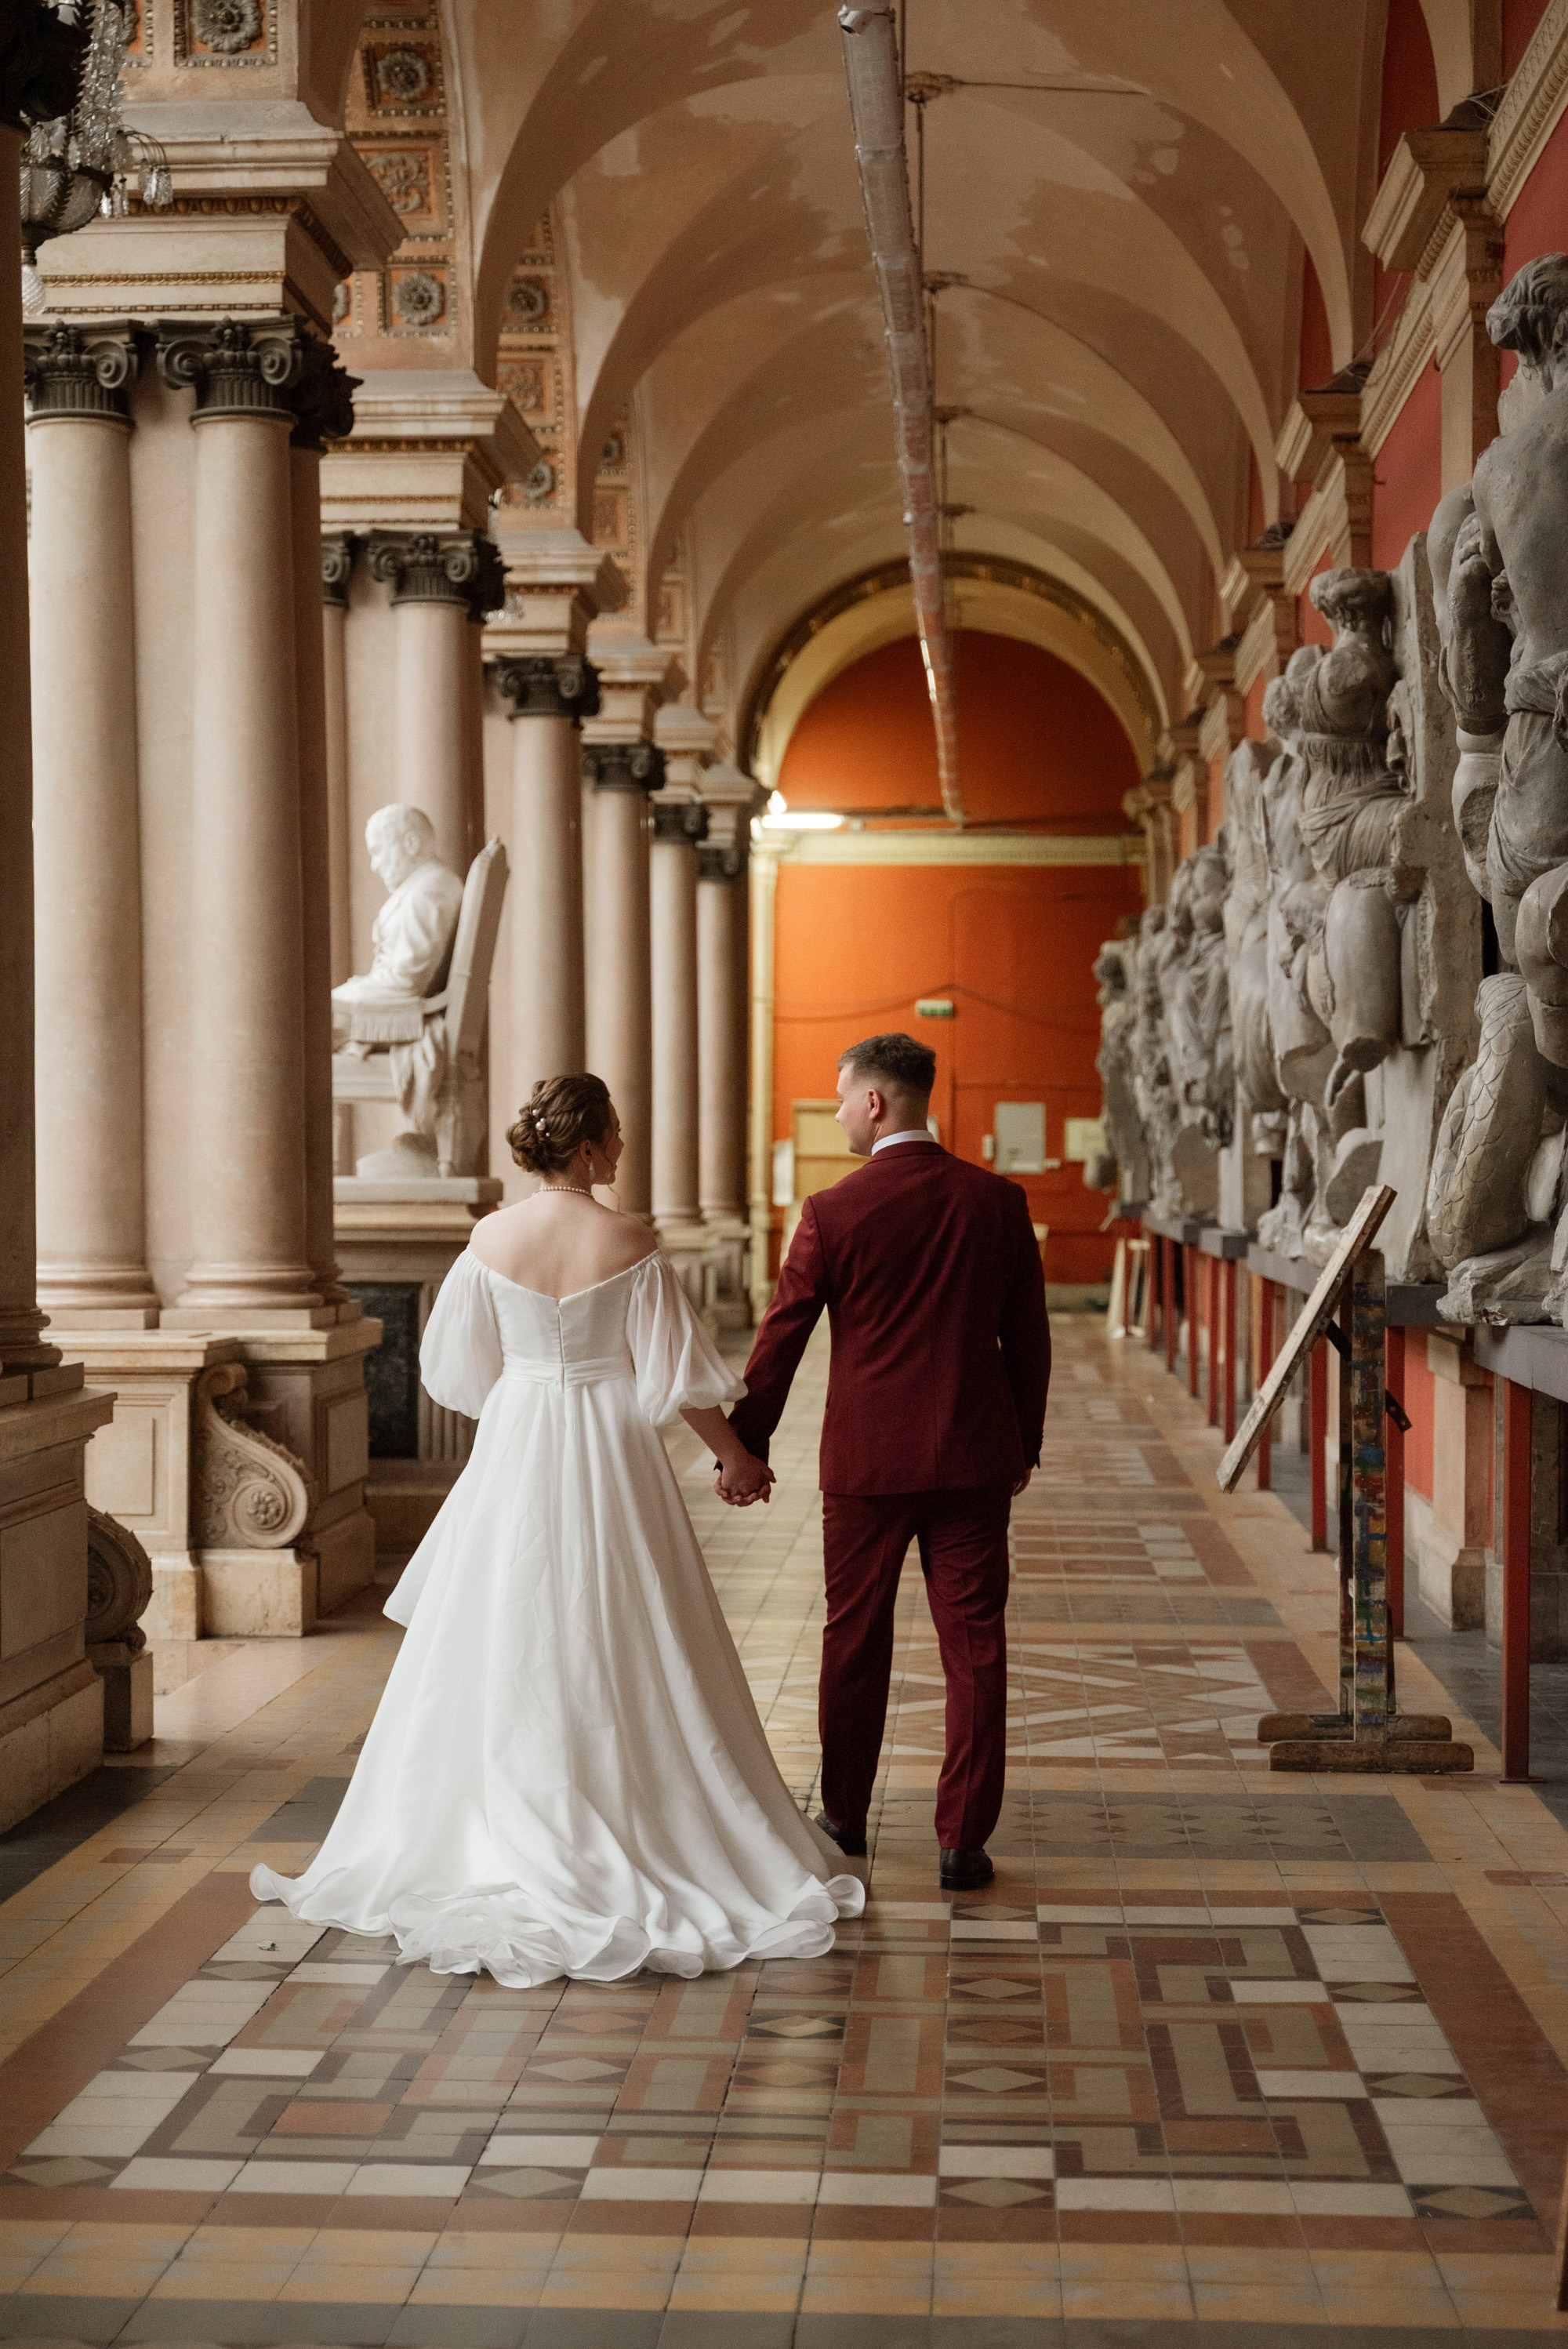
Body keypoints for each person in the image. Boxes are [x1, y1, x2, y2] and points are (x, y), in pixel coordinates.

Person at [251, 1074, 863, 1987]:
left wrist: (528, 1392)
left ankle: (493, 1816)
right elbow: (680, 1375)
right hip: (611, 1445)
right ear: (585, 1148)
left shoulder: (489, 1239)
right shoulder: (630, 1239)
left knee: (506, 1623)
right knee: (625, 1625)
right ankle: (633, 1810)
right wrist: (736, 1456)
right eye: (613, 1134)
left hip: (519, 1437)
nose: (619, 1148)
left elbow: (455, 1368)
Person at [726, 1033, 1051, 1891]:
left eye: (840, 1097)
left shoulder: (833, 1211)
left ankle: (842, 1813)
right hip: (976, 1458)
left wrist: (744, 1445)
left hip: (866, 1465)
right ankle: (962, 1840)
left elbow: (781, 1339)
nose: (835, 1111)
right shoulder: (996, 1200)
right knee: (974, 1647)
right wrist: (1024, 1440)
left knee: (852, 1640)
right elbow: (1028, 1339)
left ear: (876, 1101)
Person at [332, 804, 464, 1051]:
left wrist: (339, 998)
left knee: (303, 1018)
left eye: (378, 851)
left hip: (403, 1013)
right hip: (394, 1002)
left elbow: (406, 982)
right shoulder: (430, 885)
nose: (374, 865)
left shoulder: (427, 893)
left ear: (411, 844)